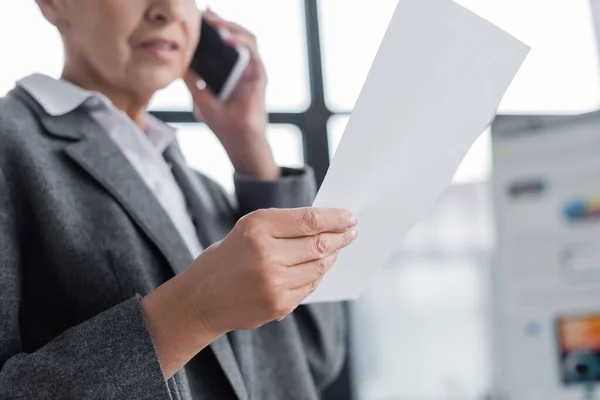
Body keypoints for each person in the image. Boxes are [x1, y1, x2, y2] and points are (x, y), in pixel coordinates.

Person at [0, 1, 359, 399]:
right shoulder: (10, 147)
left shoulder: (200, 189)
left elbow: (315, 358)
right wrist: (195, 309)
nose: (168, 10)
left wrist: (251, 146)